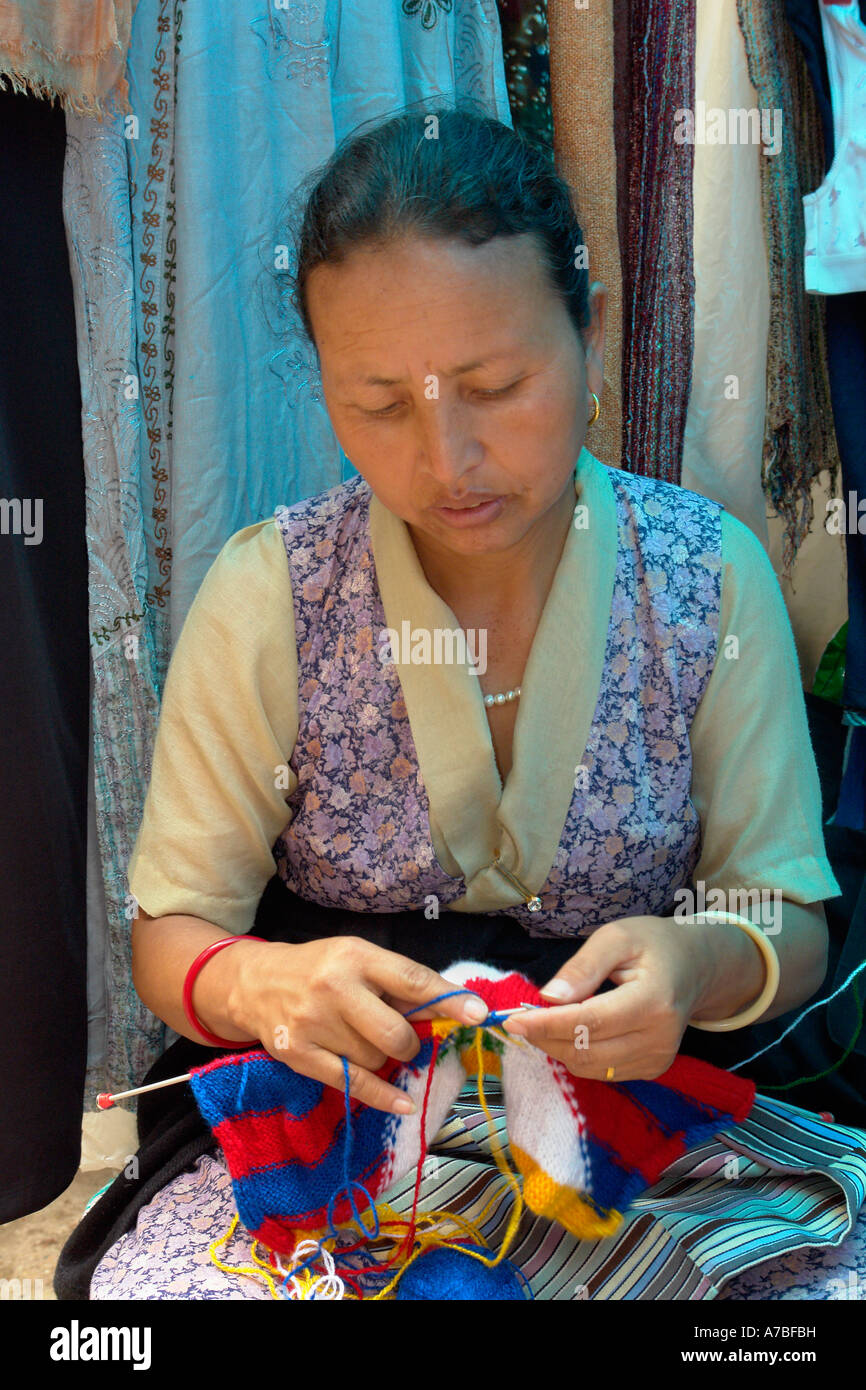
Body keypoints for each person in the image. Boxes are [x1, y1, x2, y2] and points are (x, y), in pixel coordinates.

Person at [59, 104, 866, 1301]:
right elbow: (169, 932)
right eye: (378, 404)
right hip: (327, 1133)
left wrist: (693, 964)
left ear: (589, 332)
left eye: (495, 384)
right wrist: (261, 985)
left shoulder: (704, 578)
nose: (446, 457)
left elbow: (786, 920)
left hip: (632, 1134)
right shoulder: (267, 595)